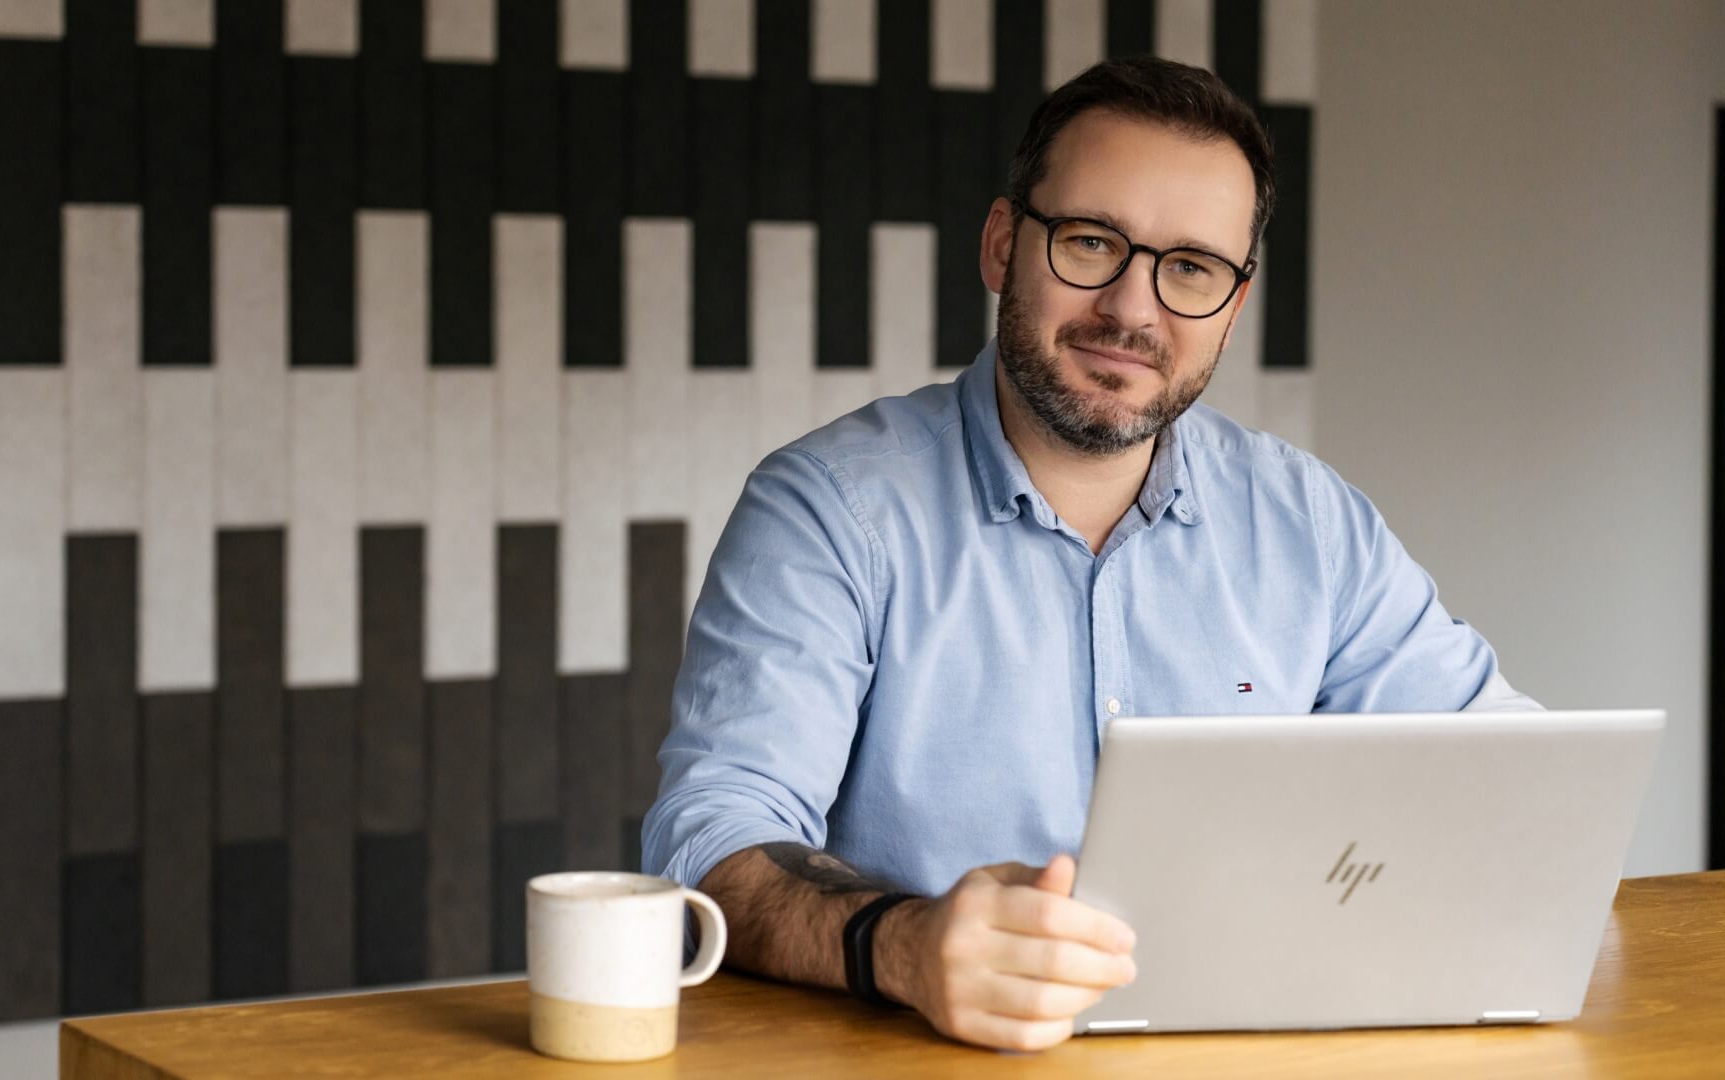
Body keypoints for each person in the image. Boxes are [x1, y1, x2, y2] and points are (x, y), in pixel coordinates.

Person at [641, 56, 1536, 1053]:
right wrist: (901, 944)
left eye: (1191, 268)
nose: (1133, 310)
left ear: (1233, 305)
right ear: (1000, 245)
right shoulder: (830, 510)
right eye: (1091, 242)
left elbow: (1507, 781)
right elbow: (713, 842)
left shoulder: (1309, 523)